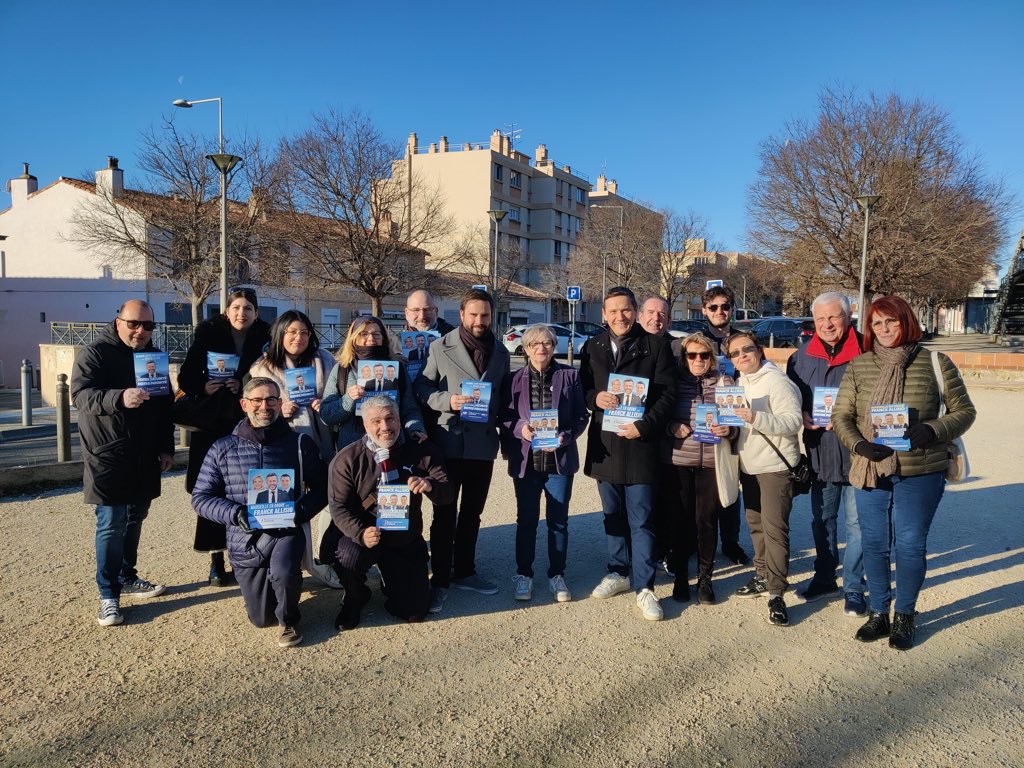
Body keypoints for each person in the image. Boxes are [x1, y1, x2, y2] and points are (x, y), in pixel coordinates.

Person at [832, 295, 976, 650]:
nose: (883, 329)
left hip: (921, 469)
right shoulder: (860, 365)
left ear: (906, 321)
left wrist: (933, 430)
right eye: (876, 323)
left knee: (910, 545)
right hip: (871, 469)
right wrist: (859, 445)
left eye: (890, 322)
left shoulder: (935, 362)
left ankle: (905, 615)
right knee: (875, 544)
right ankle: (879, 611)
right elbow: (841, 416)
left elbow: (965, 411)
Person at [192, 377, 329, 648]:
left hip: (285, 530)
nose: (264, 406)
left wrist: (300, 511)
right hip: (244, 538)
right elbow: (201, 498)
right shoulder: (222, 448)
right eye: (257, 400)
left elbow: (323, 488)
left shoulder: (300, 443)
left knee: (284, 572)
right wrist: (235, 513)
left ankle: (289, 621)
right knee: (261, 618)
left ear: (280, 404)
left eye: (271, 400)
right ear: (244, 404)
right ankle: (275, 601)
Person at [72, 299, 174, 626]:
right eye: (134, 324)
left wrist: (166, 448)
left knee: (137, 515)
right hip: (108, 454)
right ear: (118, 322)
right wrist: (119, 397)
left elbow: (163, 408)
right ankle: (108, 594)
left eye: (148, 325)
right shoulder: (95, 353)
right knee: (112, 521)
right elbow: (81, 396)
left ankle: (127, 575)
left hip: (145, 454)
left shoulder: (153, 357)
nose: (141, 331)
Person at [580, 286, 677, 622]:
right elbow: (584, 387)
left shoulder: (657, 346)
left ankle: (645, 585)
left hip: (639, 443)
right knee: (612, 514)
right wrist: (596, 399)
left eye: (626, 310)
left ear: (635, 311)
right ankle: (618, 571)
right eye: (612, 311)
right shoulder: (592, 345)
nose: (620, 317)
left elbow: (668, 396)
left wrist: (645, 426)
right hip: (606, 444)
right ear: (603, 315)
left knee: (643, 519)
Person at [414, 288, 511, 610]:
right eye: (474, 315)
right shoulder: (441, 347)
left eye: (485, 315)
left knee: (472, 513)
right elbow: (422, 387)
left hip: (482, 445)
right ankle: (440, 578)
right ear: (462, 315)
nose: (480, 320)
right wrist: (447, 401)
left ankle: (465, 570)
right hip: (449, 441)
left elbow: (504, 396)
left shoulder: (501, 351)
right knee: (444, 513)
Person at [327, 396, 454, 629]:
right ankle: (356, 596)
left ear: (399, 419)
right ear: (364, 425)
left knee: (415, 611)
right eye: (376, 421)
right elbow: (339, 507)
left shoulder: (423, 450)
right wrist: (360, 533)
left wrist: (430, 485)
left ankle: (394, 581)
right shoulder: (347, 458)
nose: (385, 427)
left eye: (390, 418)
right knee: (347, 557)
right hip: (365, 534)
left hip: (404, 537)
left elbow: (447, 493)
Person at [178, 287, 271, 586]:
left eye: (247, 308)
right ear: (226, 311)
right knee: (212, 489)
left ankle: (250, 555)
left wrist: (243, 383)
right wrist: (203, 386)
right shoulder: (207, 334)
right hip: (212, 422)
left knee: (249, 488)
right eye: (236, 308)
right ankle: (215, 559)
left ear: (256, 313)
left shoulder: (267, 338)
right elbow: (186, 376)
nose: (241, 314)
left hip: (247, 420)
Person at [786, 292, 867, 616]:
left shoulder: (868, 351)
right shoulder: (800, 358)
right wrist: (802, 414)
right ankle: (824, 577)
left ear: (848, 317)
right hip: (820, 453)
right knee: (822, 521)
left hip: (859, 454)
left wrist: (852, 419)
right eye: (821, 319)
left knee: (858, 524)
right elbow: (791, 400)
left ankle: (853, 587)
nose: (827, 324)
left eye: (833, 317)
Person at [247, 310, 339, 587]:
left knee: (327, 498)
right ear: (280, 334)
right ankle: (297, 562)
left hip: (322, 440)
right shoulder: (262, 367)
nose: (298, 338)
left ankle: (322, 559)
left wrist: (326, 403)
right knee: (291, 503)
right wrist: (278, 408)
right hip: (285, 444)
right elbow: (254, 409)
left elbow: (337, 395)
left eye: (304, 332)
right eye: (292, 332)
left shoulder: (324, 359)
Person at [500, 324, 590, 602]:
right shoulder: (513, 379)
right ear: (525, 349)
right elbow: (503, 417)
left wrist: (566, 436)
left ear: (554, 346)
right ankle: (524, 574)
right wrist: (520, 429)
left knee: (558, 522)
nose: (541, 348)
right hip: (527, 462)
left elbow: (581, 416)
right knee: (526, 521)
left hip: (558, 463)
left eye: (547, 343)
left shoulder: (569, 376)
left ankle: (556, 575)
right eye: (534, 344)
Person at [725, 331, 802, 627]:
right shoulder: (739, 383)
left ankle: (777, 592)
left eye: (747, 349)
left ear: (759, 350)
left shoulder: (777, 381)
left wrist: (756, 418)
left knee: (774, 530)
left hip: (774, 467)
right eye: (735, 353)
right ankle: (762, 574)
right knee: (756, 525)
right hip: (750, 466)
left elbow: (793, 421)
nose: (742, 356)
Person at [658, 333, 739, 604]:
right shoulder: (674, 381)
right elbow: (661, 416)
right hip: (679, 461)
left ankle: (706, 579)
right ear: (684, 357)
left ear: (712, 358)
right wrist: (672, 427)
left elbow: (737, 420)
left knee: (706, 521)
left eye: (704, 355)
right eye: (692, 355)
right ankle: (681, 577)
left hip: (711, 464)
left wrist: (729, 429)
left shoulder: (725, 383)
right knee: (679, 521)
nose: (698, 360)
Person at [672, 285, 750, 566]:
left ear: (732, 309)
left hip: (736, 419)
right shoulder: (696, 343)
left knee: (731, 486)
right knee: (701, 493)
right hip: (703, 427)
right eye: (714, 307)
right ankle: (695, 542)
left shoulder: (744, 340)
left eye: (725, 306)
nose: (720, 311)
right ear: (704, 310)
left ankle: (730, 542)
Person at [320, 316, 426, 451]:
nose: (370, 339)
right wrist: (348, 399)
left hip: (392, 447)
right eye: (363, 334)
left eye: (376, 334)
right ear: (354, 338)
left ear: (383, 339)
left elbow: (409, 408)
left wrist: (415, 428)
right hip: (354, 451)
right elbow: (326, 414)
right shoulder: (342, 369)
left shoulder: (397, 368)